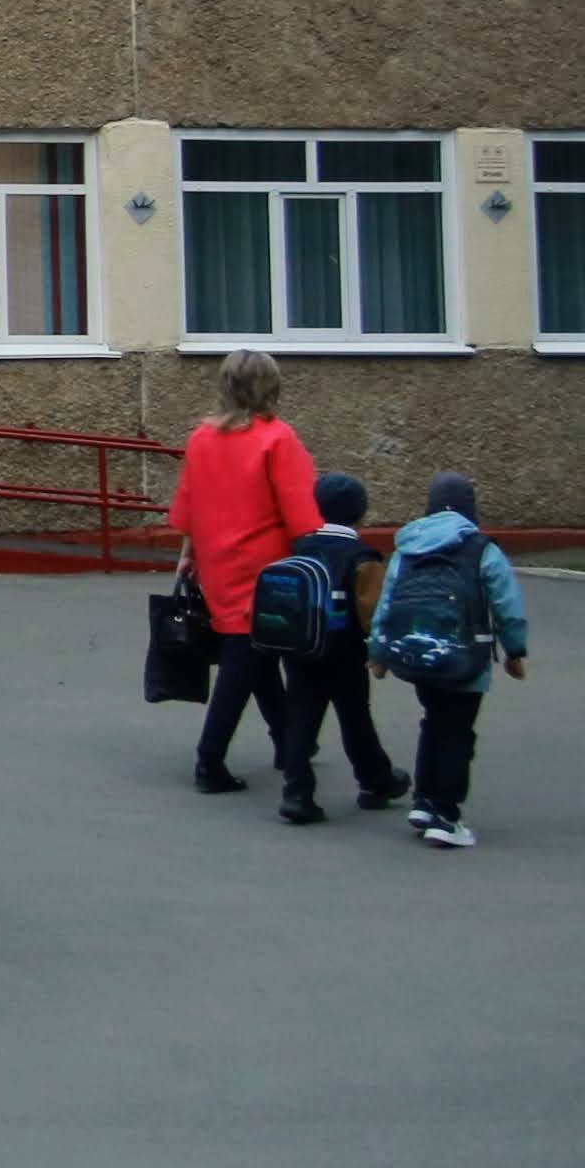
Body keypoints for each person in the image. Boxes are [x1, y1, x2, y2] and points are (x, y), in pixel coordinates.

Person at [163, 349, 320, 795]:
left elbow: (188, 502)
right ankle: (209, 759)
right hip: (267, 568)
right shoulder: (277, 438)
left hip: (217, 561)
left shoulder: (202, 438)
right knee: (245, 659)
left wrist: (189, 552)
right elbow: (301, 514)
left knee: (255, 654)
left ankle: (288, 742)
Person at [383, 473, 534, 851]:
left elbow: (388, 602)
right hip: (467, 657)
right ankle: (446, 816)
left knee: (433, 721)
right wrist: (515, 651)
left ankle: (423, 801)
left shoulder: (408, 547)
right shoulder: (482, 549)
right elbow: (507, 605)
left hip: (419, 655)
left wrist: (378, 652)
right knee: (457, 731)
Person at [263, 472, 405, 825]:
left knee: (301, 718)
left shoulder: (300, 547)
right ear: (360, 512)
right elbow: (372, 610)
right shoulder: (362, 556)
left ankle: (297, 793)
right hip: (344, 650)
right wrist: (380, 651)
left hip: (299, 646)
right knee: (354, 715)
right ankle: (375, 781)